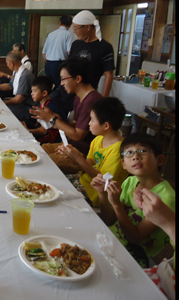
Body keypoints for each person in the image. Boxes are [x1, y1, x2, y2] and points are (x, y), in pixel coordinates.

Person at [91, 133, 175, 268]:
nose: (135, 156)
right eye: (129, 153)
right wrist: (102, 193)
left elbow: (135, 238)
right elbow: (109, 220)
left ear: (159, 160)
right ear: (124, 164)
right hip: (110, 239)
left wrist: (117, 205)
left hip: (133, 254)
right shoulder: (131, 181)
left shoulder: (166, 198)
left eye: (143, 151)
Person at [31, 57, 103, 174]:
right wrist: (57, 120)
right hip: (71, 146)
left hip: (84, 153)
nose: (61, 83)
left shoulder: (91, 101)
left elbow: (78, 136)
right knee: (34, 151)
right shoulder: (78, 97)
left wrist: (53, 120)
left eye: (64, 79)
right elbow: (75, 125)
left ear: (78, 78)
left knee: (40, 163)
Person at [56, 97, 129, 207]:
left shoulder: (119, 150)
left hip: (97, 193)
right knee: (55, 183)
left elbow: (103, 180)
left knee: (59, 198)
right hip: (84, 182)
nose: (89, 123)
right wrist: (72, 155)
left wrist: (78, 157)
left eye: (92, 120)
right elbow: (87, 166)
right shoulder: (98, 139)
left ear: (106, 126)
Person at [134, 188, 175, 299]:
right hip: (166, 275)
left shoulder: (169, 198)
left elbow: (135, 237)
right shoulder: (131, 182)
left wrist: (170, 224)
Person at [69, 10, 115, 97]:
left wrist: (103, 98)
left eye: (76, 28)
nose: (74, 31)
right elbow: (69, 67)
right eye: (73, 28)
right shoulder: (75, 44)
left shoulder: (105, 47)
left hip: (88, 95)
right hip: (70, 92)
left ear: (87, 27)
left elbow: (108, 74)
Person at [0, 51, 35, 124]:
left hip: (27, 108)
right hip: (20, 105)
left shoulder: (25, 75)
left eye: (7, 63)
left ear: (12, 63)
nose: (7, 65)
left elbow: (18, 99)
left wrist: (2, 103)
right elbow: (9, 86)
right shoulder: (18, 72)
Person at [23, 75, 66, 144]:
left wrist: (28, 130)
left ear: (44, 93)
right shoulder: (42, 103)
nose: (31, 94)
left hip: (53, 139)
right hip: (45, 133)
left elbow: (43, 131)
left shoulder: (50, 107)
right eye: (32, 91)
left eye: (34, 91)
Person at [42, 15, 75, 89]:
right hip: (59, 65)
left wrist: (48, 63)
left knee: (47, 87)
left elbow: (43, 53)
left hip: (48, 64)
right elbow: (69, 52)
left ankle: (49, 101)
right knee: (61, 87)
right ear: (70, 25)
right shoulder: (69, 34)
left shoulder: (51, 34)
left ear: (60, 22)